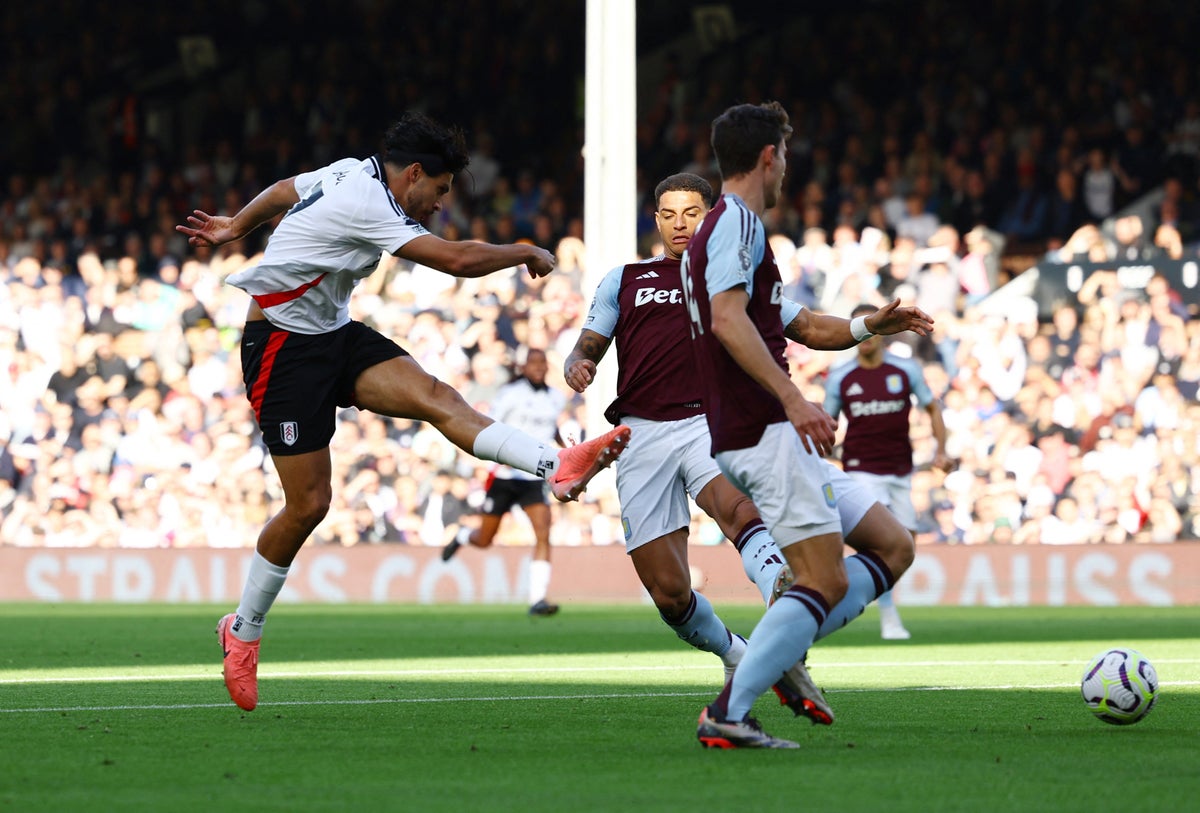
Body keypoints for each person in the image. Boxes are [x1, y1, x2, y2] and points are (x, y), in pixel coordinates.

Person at [176, 111, 631, 712]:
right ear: (413, 174)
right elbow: (458, 260)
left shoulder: (346, 171)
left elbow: (288, 189)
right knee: (310, 503)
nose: (440, 204)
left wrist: (238, 223)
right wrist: (524, 248)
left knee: (439, 399)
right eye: (439, 191)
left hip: (332, 334)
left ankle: (558, 464)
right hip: (281, 349)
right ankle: (244, 629)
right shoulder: (371, 201)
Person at [564, 173, 931, 709]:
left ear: (709, 217)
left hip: (706, 422)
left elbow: (807, 327)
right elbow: (589, 343)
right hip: (639, 435)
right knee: (669, 594)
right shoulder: (624, 278)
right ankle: (740, 654)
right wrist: (580, 364)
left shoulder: (727, 280)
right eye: (668, 214)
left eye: (691, 213)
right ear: (656, 220)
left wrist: (869, 326)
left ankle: (783, 597)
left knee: (737, 510)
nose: (679, 224)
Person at [682, 102, 922, 748]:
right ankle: (729, 709)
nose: (787, 165)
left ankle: (782, 638)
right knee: (824, 579)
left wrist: (875, 324)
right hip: (760, 429)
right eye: (784, 154)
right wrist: (792, 398)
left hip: (768, 433)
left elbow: (806, 325)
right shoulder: (735, 224)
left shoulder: (734, 232)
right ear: (768, 157)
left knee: (894, 544)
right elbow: (729, 320)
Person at [824, 303, 955, 640]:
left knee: (904, 545)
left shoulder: (905, 371)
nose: (865, 337)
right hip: (861, 470)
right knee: (883, 543)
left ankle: (851, 589)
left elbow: (932, 407)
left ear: (880, 331)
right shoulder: (841, 376)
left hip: (900, 470)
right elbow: (828, 423)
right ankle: (887, 616)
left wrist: (941, 450)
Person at [442, 347, 566, 616]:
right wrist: (503, 455)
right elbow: (492, 425)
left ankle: (537, 599)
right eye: (534, 363)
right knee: (485, 539)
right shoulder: (511, 394)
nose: (539, 367)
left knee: (543, 532)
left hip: (533, 477)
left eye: (542, 362)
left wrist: (566, 451)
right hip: (505, 475)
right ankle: (463, 535)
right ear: (523, 367)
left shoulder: (556, 398)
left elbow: (551, 430)